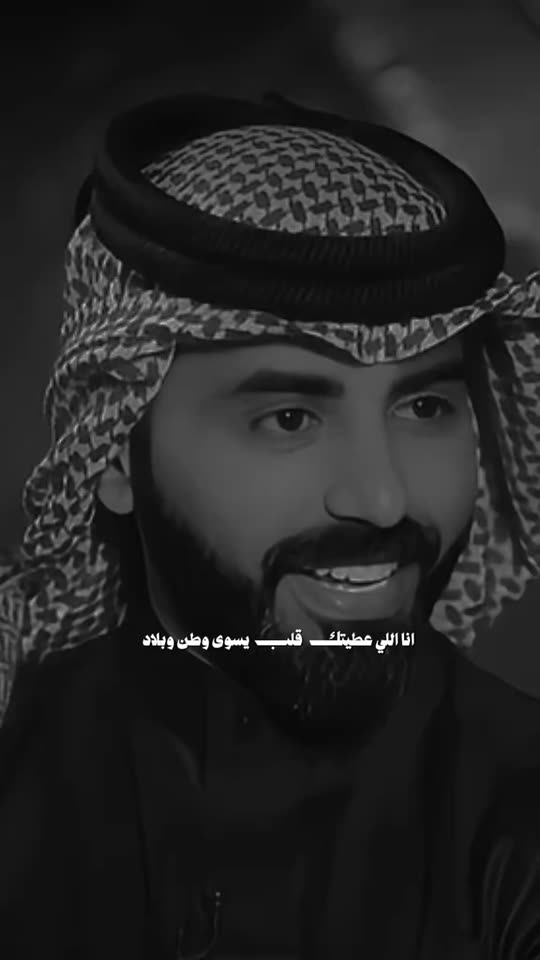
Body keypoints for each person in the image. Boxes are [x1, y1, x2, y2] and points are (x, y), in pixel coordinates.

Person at [1, 92, 540, 960]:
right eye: (290, 418)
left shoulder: (514, 813)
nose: (383, 500)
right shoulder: (20, 750)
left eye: (426, 406)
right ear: (113, 452)